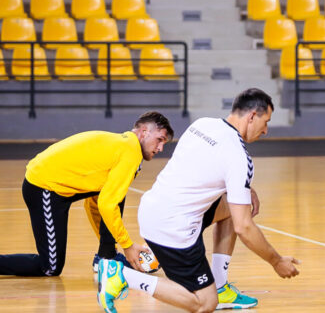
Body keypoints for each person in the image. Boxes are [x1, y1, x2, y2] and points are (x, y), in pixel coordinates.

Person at [96, 88, 300, 313]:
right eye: (266, 121)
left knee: (237, 204)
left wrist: (243, 188)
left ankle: (220, 285)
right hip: (174, 230)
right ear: (252, 116)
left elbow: (201, 167)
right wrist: (276, 261)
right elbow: (244, 227)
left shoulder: (202, 124)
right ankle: (124, 276)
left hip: (151, 210)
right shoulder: (239, 156)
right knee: (205, 303)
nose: (266, 130)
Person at [0, 111, 174, 278]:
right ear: (143, 132)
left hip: (57, 187)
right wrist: (129, 246)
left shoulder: (123, 147)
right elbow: (107, 204)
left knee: (116, 196)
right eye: (160, 139)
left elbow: (98, 201)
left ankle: (106, 260)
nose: (161, 148)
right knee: (49, 268)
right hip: (44, 187)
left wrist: (108, 252)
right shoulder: (129, 151)